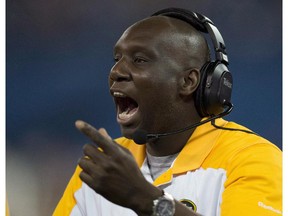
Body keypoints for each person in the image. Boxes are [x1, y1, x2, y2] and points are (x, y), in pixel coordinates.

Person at [53, 7, 282, 216]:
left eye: (139, 60)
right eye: (116, 59)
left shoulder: (252, 159)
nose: (116, 71)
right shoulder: (104, 165)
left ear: (188, 81)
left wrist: (145, 199)